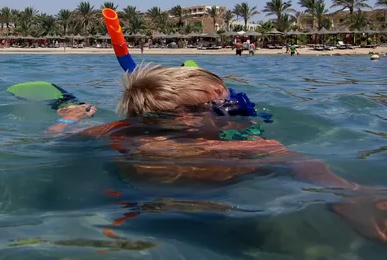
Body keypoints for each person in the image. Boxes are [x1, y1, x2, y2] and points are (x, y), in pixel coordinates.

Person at [47, 63, 387, 244]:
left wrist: (65, 121)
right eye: (229, 104)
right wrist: (351, 195)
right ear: (187, 118)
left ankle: (69, 108)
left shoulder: (115, 133)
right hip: (205, 213)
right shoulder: (243, 147)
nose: (240, 110)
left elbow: (56, 142)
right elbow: (310, 168)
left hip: (133, 203)